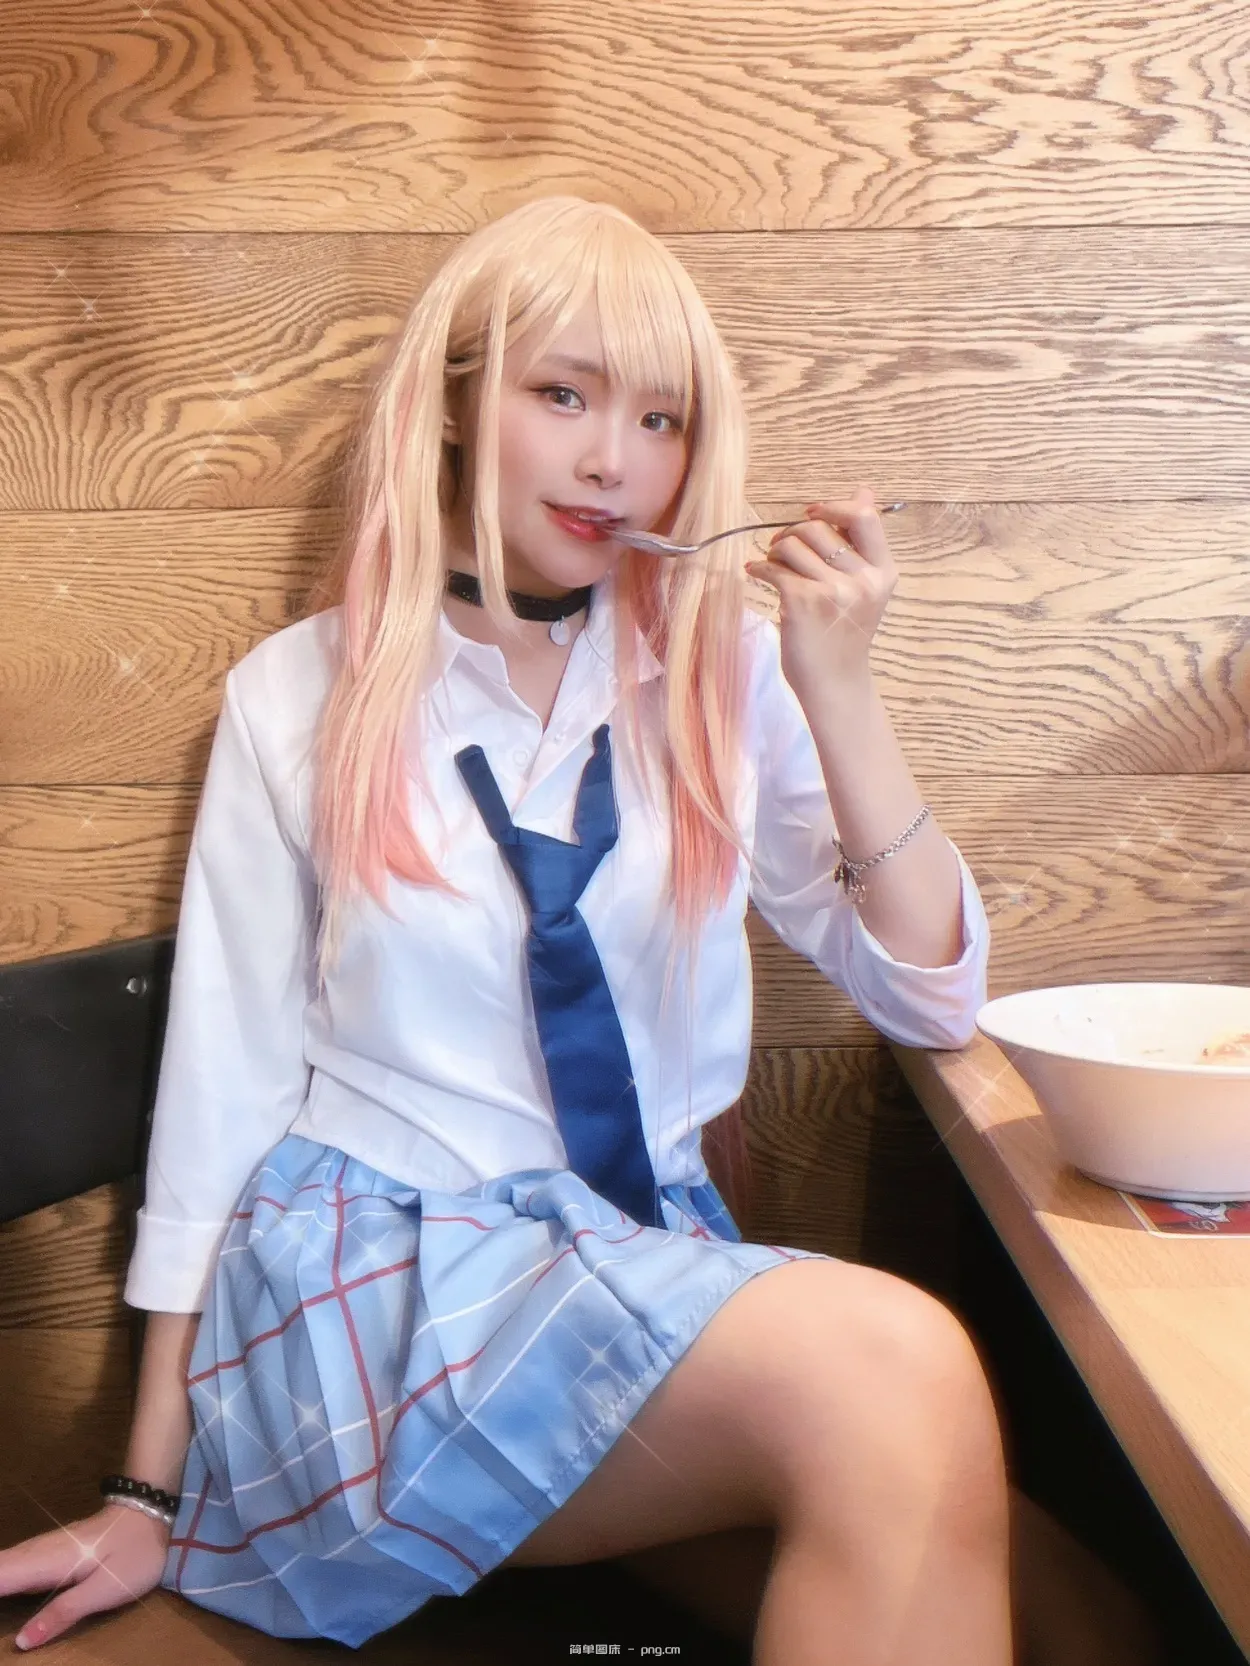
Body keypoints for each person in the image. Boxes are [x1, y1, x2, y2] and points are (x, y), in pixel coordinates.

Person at [0, 196, 1158, 1665]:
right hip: (377, 1299)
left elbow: (930, 998)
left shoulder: (720, 669)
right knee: (892, 1365)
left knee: (1093, 1621)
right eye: (564, 396)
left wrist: (838, 688)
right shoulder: (298, 696)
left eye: (661, 419)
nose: (617, 459)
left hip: (629, 1265)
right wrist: (145, 1487)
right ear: (452, 405)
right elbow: (217, 1091)